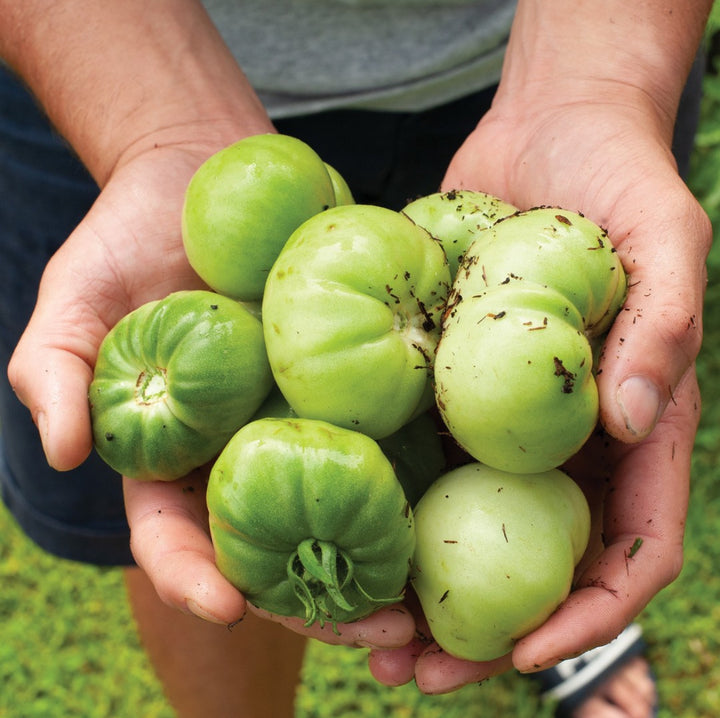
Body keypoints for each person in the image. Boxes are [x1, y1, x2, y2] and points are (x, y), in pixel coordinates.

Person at [0, 1, 711, 717]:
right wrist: (154, 131)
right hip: (110, 47)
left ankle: (556, 616)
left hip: (561, 46)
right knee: (198, 563)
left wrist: (599, 87)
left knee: (575, 522)